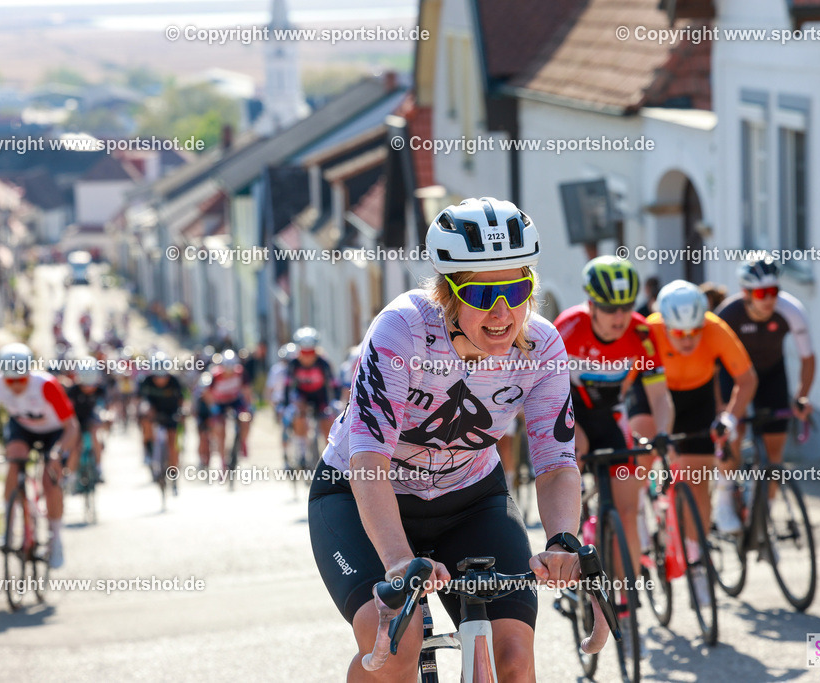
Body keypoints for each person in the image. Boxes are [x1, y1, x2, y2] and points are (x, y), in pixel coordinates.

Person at [308, 197, 608, 680]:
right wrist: (399, 561)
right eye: (482, 295)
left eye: (517, 289)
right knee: (395, 645)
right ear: (448, 293)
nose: (503, 312)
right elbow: (368, 460)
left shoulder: (542, 344)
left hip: (469, 501)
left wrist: (563, 541)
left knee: (513, 657)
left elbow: (555, 460)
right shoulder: (401, 329)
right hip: (359, 495)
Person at [555, 255, 674, 591]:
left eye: (626, 305)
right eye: (609, 308)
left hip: (608, 416)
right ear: (591, 304)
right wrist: (570, 432)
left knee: (628, 507)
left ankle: (625, 593)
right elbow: (544, 390)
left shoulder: (641, 332)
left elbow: (660, 396)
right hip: (568, 410)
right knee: (577, 453)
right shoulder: (569, 325)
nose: (619, 316)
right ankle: (568, 551)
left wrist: (663, 433)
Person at [642, 281, 757, 548]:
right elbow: (628, 380)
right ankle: (638, 510)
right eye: (679, 333)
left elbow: (747, 379)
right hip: (655, 393)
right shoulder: (648, 329)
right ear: (665, 324)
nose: (688, 339)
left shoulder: (715, 328)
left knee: (697, 480)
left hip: (697, 395)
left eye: (695, 331)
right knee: (641, 454)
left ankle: (697, 560)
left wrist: (729, 417)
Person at [0, 343, 79, 567]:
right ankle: (9, 525)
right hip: (22, 427)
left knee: (50, 481)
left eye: (20, 380)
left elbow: (72, 426)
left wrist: (57, 452)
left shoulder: (46, 385)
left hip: (54, 431)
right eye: (9, 380)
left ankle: (55, 536)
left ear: (28, 373)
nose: (14, 385)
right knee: (14, 460)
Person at [716, 257, 814, 477]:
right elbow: (711, 366)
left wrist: (801, 397)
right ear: (746, 293)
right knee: (733, 431)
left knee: (774, 453)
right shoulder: (727, 315)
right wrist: (719, 404)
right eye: (761, 293)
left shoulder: (791, 310)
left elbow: (807, 358)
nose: (769, 298)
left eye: (774, 290)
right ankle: (726, 491)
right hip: (733, 376)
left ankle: (766, 506)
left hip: (771, 373)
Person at [284, 328, 336, 468]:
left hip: (320, 396)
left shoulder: (323, 362)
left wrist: (334, 401)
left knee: (327, 421)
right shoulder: (293, 363)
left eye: (311, 352)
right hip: (302, 396)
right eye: (304, 353)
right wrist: (287, 403)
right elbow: (287, 385)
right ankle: (301, 453)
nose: (307, 357)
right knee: (299, 416)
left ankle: (329, 459)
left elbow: (332, 383)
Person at [138, 352, 186, 492]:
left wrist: (182, 412)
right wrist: (144, 410)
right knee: (146, 423)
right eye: (157, 377)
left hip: (171, 414)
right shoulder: (146, 381)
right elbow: (140, 400)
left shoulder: (174, 381)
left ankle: (174, 474)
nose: (160, 380)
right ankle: (148, 450)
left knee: (173, 444)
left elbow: (182, 400)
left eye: (163, 376)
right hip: (154, 413)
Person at [207, 349, 253, 462]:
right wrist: (212, 407)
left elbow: (246, 390)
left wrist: (249, 406)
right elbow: (207, 393)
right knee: (220, 430)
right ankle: (222, 461)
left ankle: (243, 442)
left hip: (235, 400)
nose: (229, 373)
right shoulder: (215, 375)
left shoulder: (240, 373)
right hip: (220, 403)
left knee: (246, 419)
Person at [67, 361, 108, 484]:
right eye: (85, 385)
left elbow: (105, 408)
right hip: (75, 420)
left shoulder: (100, 390)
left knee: (96, 436)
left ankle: (99, 467)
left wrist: (106, 417)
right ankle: (71, 476)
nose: (89, 388)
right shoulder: (72, 391)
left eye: (92, 385)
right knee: (75, 445)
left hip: (91, 418)